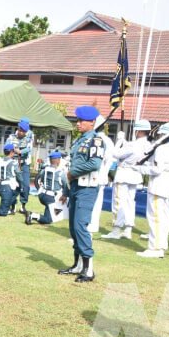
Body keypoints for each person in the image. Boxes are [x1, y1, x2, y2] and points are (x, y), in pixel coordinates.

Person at [58, 106, 105, 283]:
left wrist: (72, 173)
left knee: (80, 226)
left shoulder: (96, 141)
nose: (78, 124)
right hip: (75, 187)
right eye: (77, 120)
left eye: (81, 121)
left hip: (87, 188)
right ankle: (78, 265)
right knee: (73, 228)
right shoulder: (80, 140)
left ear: (92, 122)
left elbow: (94, 164)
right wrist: (66, 189)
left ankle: (88, 269)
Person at [135, 122, 169, 258]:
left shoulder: (161, 149)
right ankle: (161, 245)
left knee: (155, 218)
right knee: (164, 219)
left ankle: (155, 248)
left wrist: (139, 168)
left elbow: (157, 169)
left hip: (158, 187)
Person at [103, 119, 149, 240]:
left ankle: (116, 230)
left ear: (139, 131)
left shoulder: (133, 145)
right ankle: (128, 229)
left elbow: (116, 154)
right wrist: (125, 142)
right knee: (130, 203)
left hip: (124, 173)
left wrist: (119, 141)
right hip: (135, 175)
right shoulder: (148, 145)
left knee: (118, 202)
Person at [87, 115, 116, 234]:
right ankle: (93, 225)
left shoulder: (97, 140)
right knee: (96, 203)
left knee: (91, 203)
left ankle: (91, 225)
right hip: (101, 176)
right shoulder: (108, 141)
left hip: (94, 175)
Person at [26, 150, 67, 225]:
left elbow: (37, 180)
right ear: (58, 160)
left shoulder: (44, 170)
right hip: (51, 198)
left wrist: (40, 189)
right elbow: (66, 186)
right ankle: (32, 215)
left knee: (48, 213)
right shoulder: (61, 173)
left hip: (42, 195)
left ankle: (42, 217)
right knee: (49, 220)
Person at [6, 118, 34, 214]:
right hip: (13, 164)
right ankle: (12, 205)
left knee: (26, 185)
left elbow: (28, 149)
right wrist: (13, 149)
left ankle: (23, 205)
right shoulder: (11, 137)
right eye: (21, 130)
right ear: (18, 128)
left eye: (25, 131)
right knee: (14, 185)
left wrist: (20, 151)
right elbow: (6, 147)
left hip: (24, 164)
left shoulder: (29, 137)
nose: (23, 133)